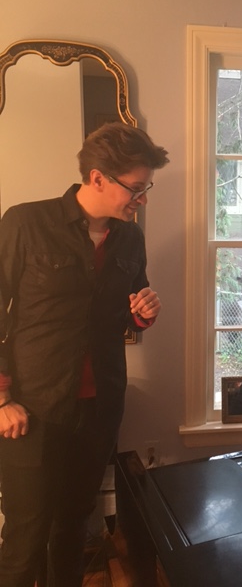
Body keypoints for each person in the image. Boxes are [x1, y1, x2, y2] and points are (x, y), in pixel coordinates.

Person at [0, 122, 169, 587]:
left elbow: (128, 315)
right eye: (136, 188)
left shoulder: (130, 239)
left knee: (74, 527)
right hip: (32, 411)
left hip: (99, 409)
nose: (143, 199)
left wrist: (144, 313)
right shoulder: (25, 223)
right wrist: (2, 398)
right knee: (25, 537)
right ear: (97, 178)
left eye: (146, 188)